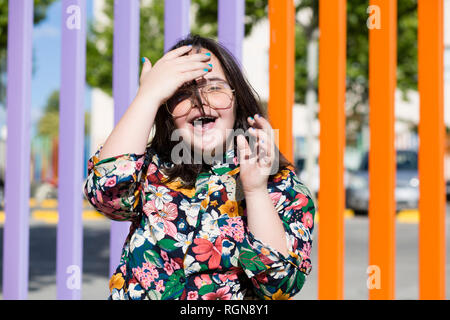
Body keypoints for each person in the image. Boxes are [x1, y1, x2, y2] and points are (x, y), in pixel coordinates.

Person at [83, 34, 316, 300]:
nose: (201, 101)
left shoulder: (281, 185)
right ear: (167, 110)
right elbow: (106, 195)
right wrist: (147, 97)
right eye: (182, 93)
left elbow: (280, 286)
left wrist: (255, 191)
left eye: (215, 88)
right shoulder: (150, 169)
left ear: (238, 100)